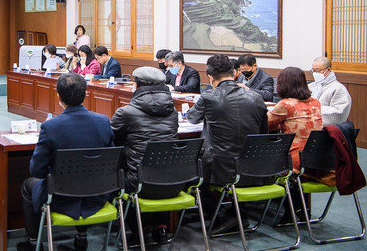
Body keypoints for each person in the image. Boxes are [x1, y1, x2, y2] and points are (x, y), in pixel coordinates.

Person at [18, 73, 114, 251]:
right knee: (85, 177)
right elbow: (111, 164)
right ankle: (81, 236)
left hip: (60, 198)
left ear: (58, 96)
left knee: (27, 185)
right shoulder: (103, 122)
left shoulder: (51, 126)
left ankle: (33, 242)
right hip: (97, 195)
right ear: (86, 94)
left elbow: (37, 171)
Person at [187, 54, 268, 233]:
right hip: (252, 164)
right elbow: (264, 132)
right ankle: (236, 213)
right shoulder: (255, 97)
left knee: (188, 174)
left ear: (210, 77)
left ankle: (224, 216)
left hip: (219, 165)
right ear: (234, 73)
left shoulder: (209, 96)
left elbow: (192, 118)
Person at [111, 66, 179, 243]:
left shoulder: (126, 113)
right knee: (158, 168)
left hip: (138, 182)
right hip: (174, 179)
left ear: (136, 86)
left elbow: (112, 141)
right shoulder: (173, 112)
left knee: (117, 179)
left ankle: (139, 228)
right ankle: (161, 227)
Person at [268, 67, 323, 173]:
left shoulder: (286, 104)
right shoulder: (316, 102)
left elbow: (268, 125)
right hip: (318, 158)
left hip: (296, 159)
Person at [308, 56, 352, 126]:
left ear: (328, 69)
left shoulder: (338, 88)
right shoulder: (310, 86)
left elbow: (339, 112)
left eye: (318, 70)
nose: (315, 73)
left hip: (328, 129)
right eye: (313, 71)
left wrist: (311, 110)